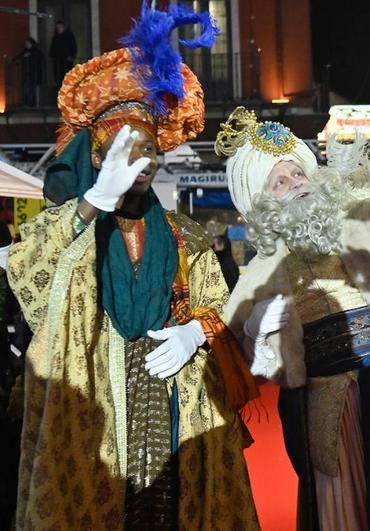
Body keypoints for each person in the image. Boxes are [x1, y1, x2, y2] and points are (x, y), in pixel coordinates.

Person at [7, 3, 259, 529]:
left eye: (148, 150)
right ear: (97, 156)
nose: (140, 163)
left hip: (175, 403)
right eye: (124, 149)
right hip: (96, 401)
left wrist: (197, 331)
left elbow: (219, 305)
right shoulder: (70, 222)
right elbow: (33, 276)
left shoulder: (184, 233)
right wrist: (92, 204)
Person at [218, 107, 370, 530]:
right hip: (325, 404)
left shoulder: (361, 208)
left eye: (299, 174)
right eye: (281, 181)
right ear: (260, 202)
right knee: (342, 497)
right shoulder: (261, 268)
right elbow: (252, 352)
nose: (297, 185)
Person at [49, 20, 77, 90]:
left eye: (60, 27)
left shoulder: (69, 37)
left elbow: (74, 48)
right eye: (57, 28)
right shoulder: (55, 38)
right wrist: (53, 56)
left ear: (64, 28)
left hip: (67, 62)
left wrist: (71, 57)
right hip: (58, 63)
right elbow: (52, 49)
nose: (58, 29)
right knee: (59, 81)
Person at [16, 38, 44, 106]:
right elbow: (19, 57)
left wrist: (29, 56)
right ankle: (28, 102)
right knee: (26, 88)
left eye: (28, 43)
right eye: (26, 43)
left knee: (32, 89)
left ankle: (32, 103)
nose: (26, 45)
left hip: (34, 73)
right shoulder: (25, 51)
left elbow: (40, 58)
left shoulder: (36, 51)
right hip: (27, 73)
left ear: (31, 44)